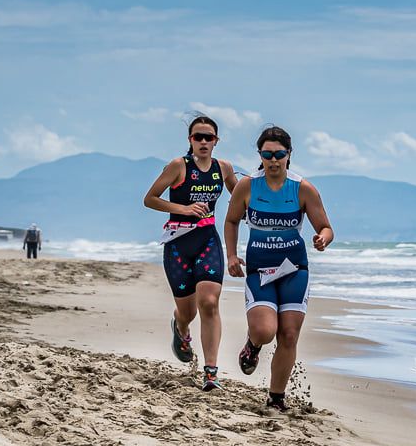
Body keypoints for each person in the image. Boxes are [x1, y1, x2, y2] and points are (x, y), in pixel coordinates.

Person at [224, 125, 334, 412]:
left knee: (288, 335)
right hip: (259, 270)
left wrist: (323, 238)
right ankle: (253, 345)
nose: (273, 160)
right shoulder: (248, 186)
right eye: (267, 154)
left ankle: (276, 398)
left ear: (289, 155)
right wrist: (232, 257)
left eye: (279, 154)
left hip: (294, 269)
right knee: (264, 331)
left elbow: (325, 226)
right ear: (260, 155)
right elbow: (232, 220)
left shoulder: (302, 188)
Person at [143, 115, 239, 391]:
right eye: (199, 137)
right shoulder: (178, 166)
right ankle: (180, 328)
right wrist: (183, 209)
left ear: (216, 141)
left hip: (207, 240)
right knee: (188, 312)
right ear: (190, 140)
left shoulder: (224, 168)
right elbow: (149, 199)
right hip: (177, 244)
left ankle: (211, 373)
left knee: (209, 302)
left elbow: (239, 195)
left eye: (209, 137)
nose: (204, 142)